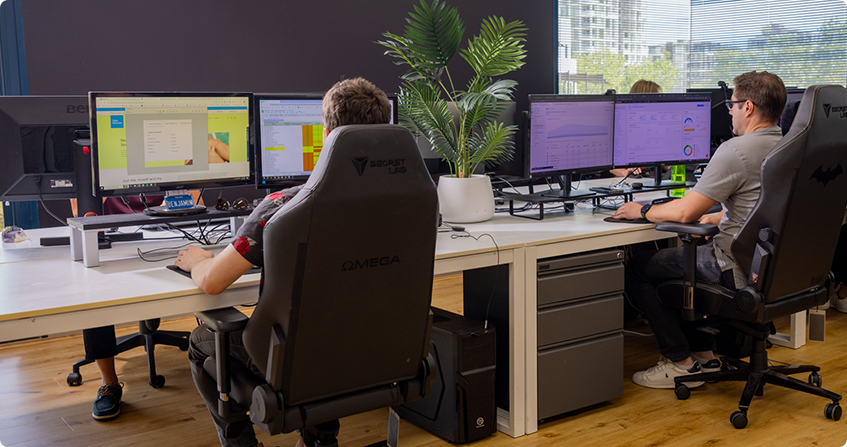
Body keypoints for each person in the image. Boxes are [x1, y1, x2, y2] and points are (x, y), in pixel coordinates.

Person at [178, 77, 392, 447]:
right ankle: (320, 439)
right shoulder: (405, 202)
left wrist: (198, 260)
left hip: (295, 356)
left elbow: (212, 283)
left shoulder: (284, 205)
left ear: (326, 135)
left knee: (201, 339)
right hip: (369, 346)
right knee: (330, 326)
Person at [613, 71, 787, 389]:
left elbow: (683, 211)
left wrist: (642, 210)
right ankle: (703, 354)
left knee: (639, 269)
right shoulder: (789, 148)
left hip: (734, 266)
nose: (730, 112)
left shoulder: (737, 150)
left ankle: (679, 361)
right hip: (777, 267)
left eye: (732, 105)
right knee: (675, 261)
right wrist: (724, 217)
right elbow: (773, 208)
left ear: (748, 107)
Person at [609, 80, 662, 178]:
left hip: (653, 180)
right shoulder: (620, 125)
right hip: (629, 182)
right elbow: (610, 166)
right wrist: (624, 172)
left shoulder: (657, 128)